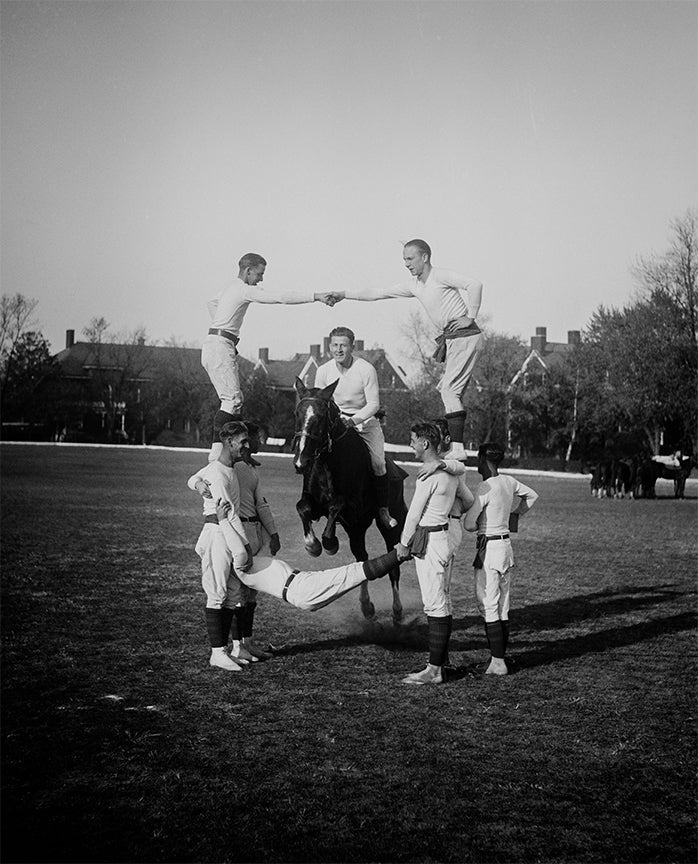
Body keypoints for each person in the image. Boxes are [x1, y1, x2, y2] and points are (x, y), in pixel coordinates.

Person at [333, 239, 483, 459]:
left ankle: (458, 449)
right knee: (448, 389)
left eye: (410, 258)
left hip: (465, 337)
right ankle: (452, 443)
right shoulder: (414, 285)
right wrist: (343, 294)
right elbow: (378, 293)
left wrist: (471, 317)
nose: (406, 264)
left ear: (425, 257)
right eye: (404, 259)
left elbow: (475, 284)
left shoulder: (440, 276)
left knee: (449, 391)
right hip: (454, 340)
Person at [202, 252, 341, 462]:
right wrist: (316, 296)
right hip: (220, 346)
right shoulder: (244, 290)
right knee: (232, 401)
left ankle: (239, 452)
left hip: (217, 344)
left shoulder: (230, 289)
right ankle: (216, 458)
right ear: (248, 271)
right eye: (259, 273)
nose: (261, 279)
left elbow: (211, 302)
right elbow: (280, 297)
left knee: (235, 401)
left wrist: (222, 331)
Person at [213, 499, 408, 612]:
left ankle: (399, 555)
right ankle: (400, 554)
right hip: (301, 589)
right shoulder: (240, 564)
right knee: (354, 572)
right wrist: (223, 521)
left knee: (355, 575)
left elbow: (262, 542)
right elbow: (239, 548)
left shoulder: (252, 561)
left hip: (302, 586)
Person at [189, 421, 279, 662]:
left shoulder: (246, 468)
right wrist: (198, 485)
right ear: (232, 442)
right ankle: (224, 650)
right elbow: (203, 480)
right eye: (249, 439)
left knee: (242, 592)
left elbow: (261, 504)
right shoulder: (224, 467)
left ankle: (240, 645)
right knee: (223, 592)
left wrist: (272, 533)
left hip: (245, 530)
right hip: (226, 530)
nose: (255, 442)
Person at [464, 442, 539, 676]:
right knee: (503, 605)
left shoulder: (485, 486)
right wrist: (516, 514)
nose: (476, 463)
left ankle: (498, 662)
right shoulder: (509, 481)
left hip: (489, 548)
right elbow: (532, 496)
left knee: (488, 603)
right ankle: (499, 657)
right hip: (506, 546)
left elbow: (468, 524)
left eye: (478, 458)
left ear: (485, 459)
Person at [395, 422, 460, 685]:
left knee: (435, 604)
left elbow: (413, 514)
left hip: (430, 540)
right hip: (442, 538)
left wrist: (403, 543)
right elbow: (466, 500)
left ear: (425, 443)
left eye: (413, 440)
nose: (410, 444)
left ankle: (434, 670)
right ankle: (440, 662)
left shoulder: (428, 476)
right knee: (443, 601)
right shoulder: (450, 474)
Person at [314, 326, 397, 529]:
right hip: (336, 423)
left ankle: (383, 510)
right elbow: (318, 402)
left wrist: (353, 421)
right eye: (334, 345)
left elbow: (373, 405)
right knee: (316, 456)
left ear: (352, 347)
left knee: (378, 463)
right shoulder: (323, 371)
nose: (338, 349)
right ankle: (314, 502)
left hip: (365, 422)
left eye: (343, 345)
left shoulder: (366, 369)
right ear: (329, 346)